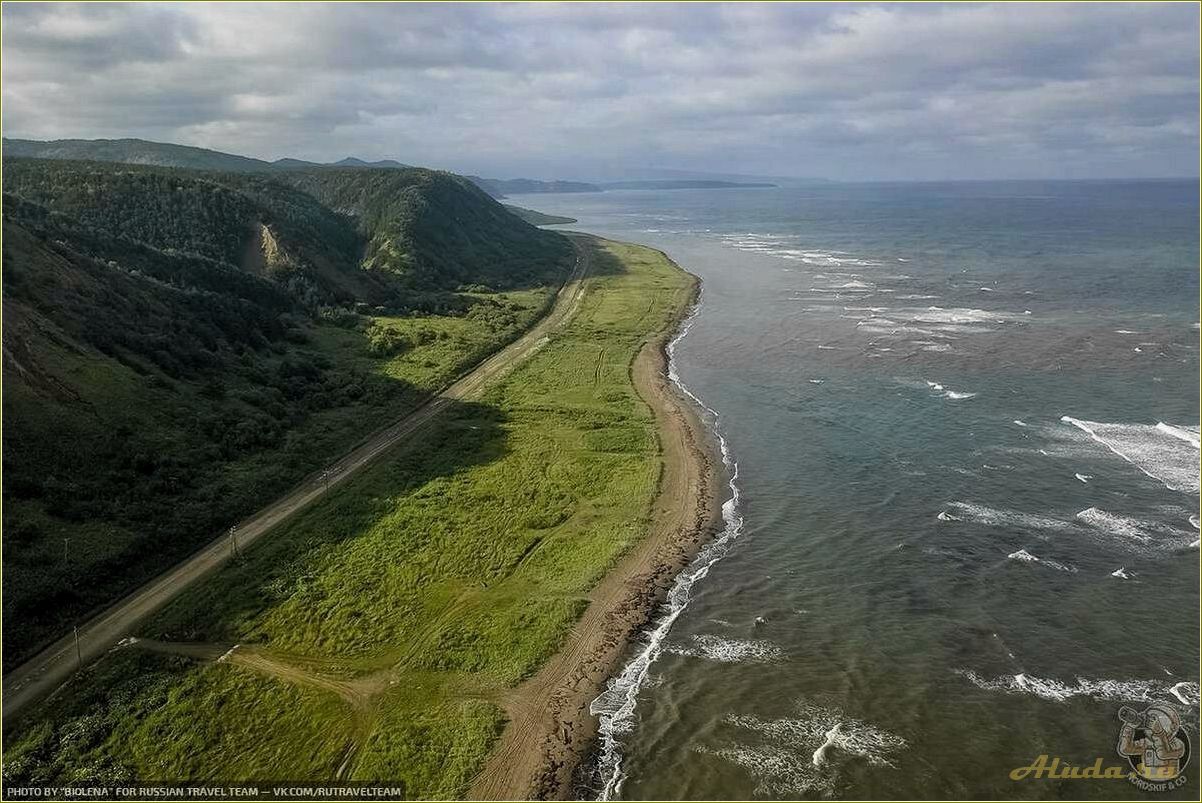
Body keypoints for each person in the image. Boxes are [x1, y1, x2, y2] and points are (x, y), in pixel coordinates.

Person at [1117, 704, 1186, 781]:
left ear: (1172, 726)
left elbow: (1162, 755)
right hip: (1146, 782)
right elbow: (1124, 749)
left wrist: (1159, 733)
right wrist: (1129, 728)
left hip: (1168, 783)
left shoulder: (1177, 744)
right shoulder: (1147, 742)